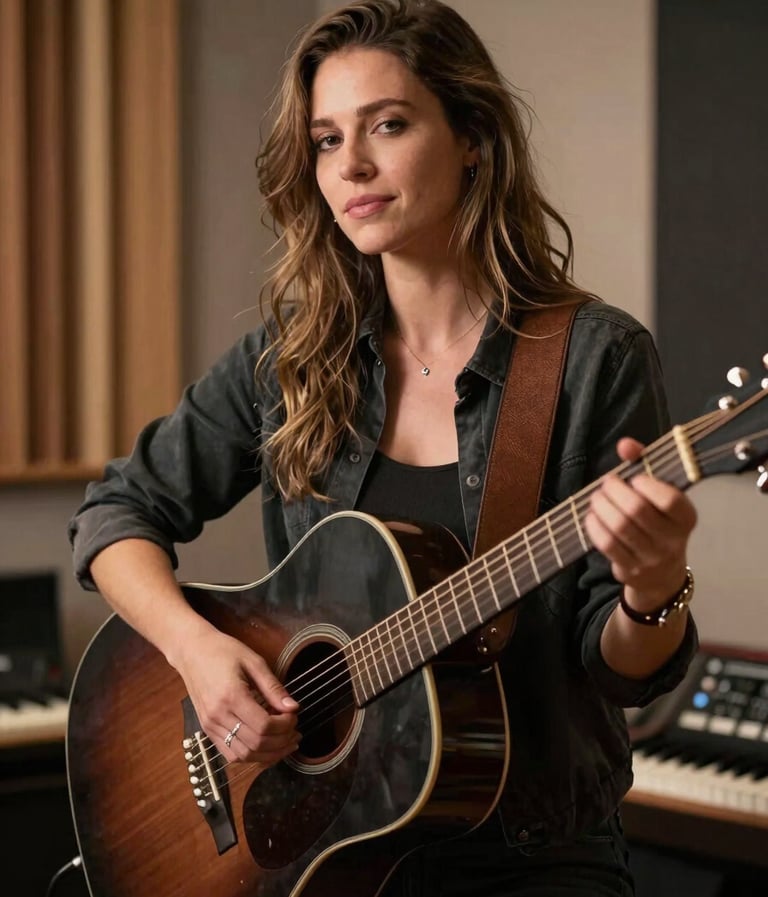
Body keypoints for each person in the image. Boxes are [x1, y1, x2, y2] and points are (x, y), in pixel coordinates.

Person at [68, 1, 699, 894]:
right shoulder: (292, 359)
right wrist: (197, 654)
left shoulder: (593, 359)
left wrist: (653, 583)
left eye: (388, 125)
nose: (351, 166)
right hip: (320, 858)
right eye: (326, 140)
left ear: (472, 136)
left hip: (532, 861)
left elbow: (623, 668)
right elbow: (113, 513)